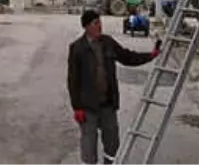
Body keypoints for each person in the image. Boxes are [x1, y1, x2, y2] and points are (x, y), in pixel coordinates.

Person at [68, 9, 161, 165]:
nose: (100, 26)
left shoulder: (108, 42)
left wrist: (150, 55)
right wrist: (76, 107)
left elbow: (127, 57)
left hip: (108, 104)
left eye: (100, 22)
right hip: (88, 106)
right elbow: (73, 80)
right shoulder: (77, 48)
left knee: (112, 145)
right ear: (86, 27)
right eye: (96, 23)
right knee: (88, 146)